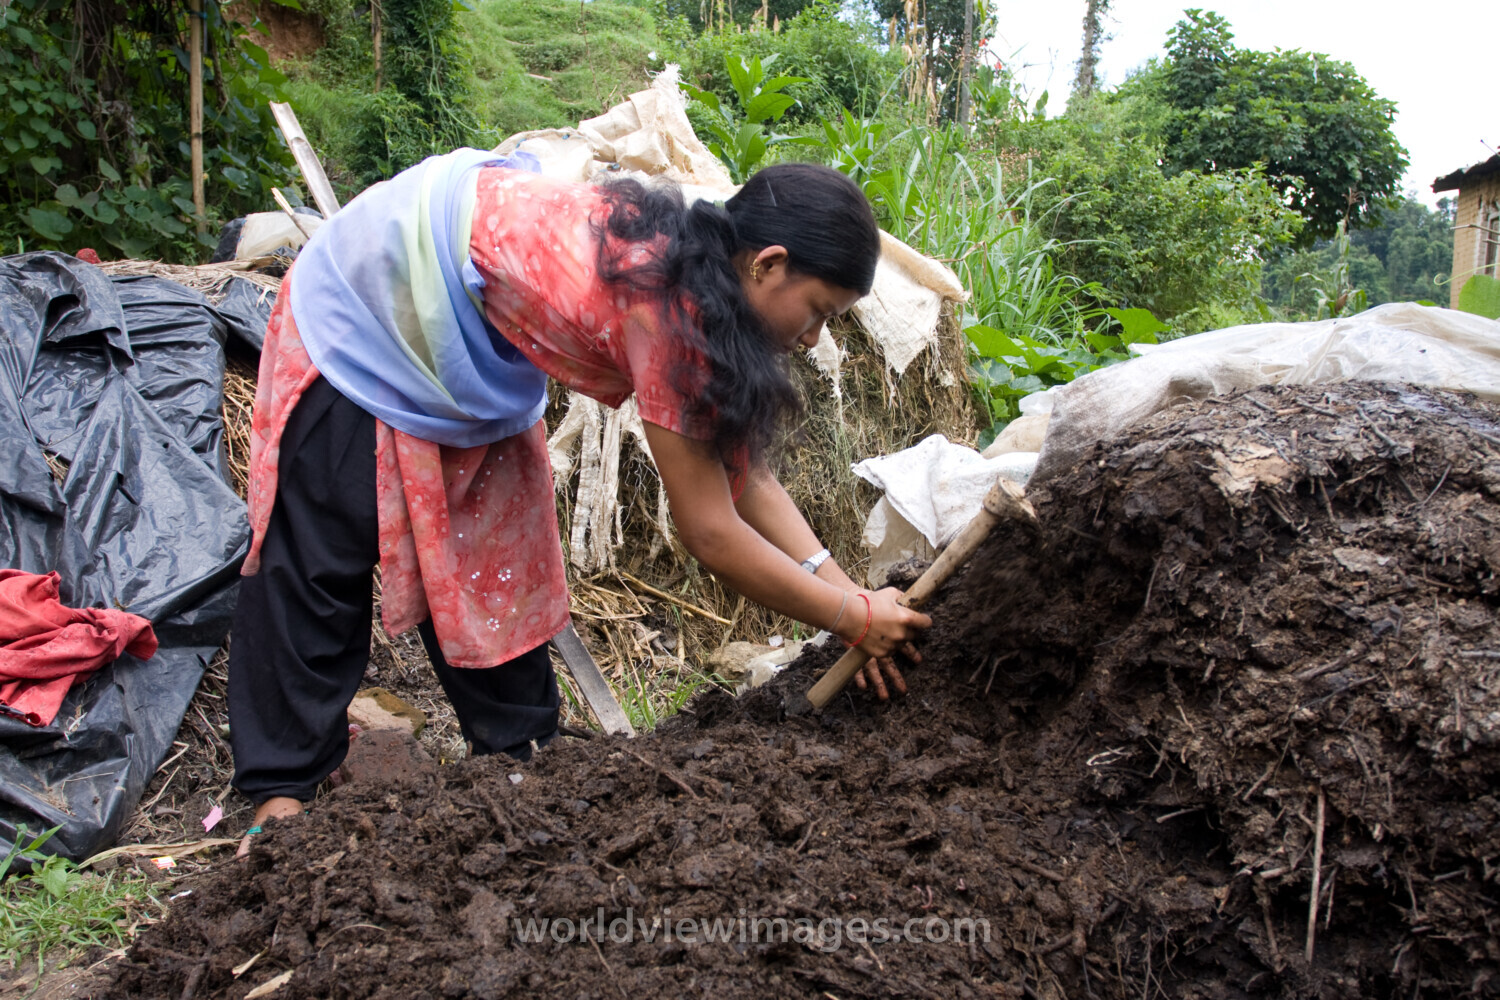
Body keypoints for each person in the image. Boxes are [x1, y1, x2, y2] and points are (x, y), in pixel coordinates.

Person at [228, 150, 932, 851]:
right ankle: (281, 789)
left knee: (498, 553)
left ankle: (520, 756)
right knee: (322, 552)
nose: (814, 339)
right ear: (769, 263)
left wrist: (853, 609)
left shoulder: (714, 292)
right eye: (819, 311)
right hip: (376, 289)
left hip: (471, 336)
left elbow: (749, 481)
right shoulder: (668, 312)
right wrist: (851, 614)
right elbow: (712, 530)